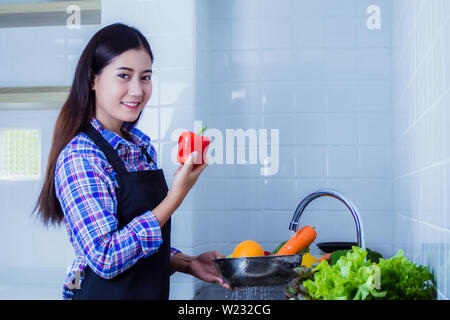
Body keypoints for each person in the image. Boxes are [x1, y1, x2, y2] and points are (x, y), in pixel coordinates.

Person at [33, 23, 229, 300]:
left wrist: (188, 263)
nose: (137, 90)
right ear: (92, 79)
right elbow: (105, 257)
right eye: (124, 75)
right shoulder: (81, 157)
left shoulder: (141, 146)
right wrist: (176, 196)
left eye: (145, 77)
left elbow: (133, 238)